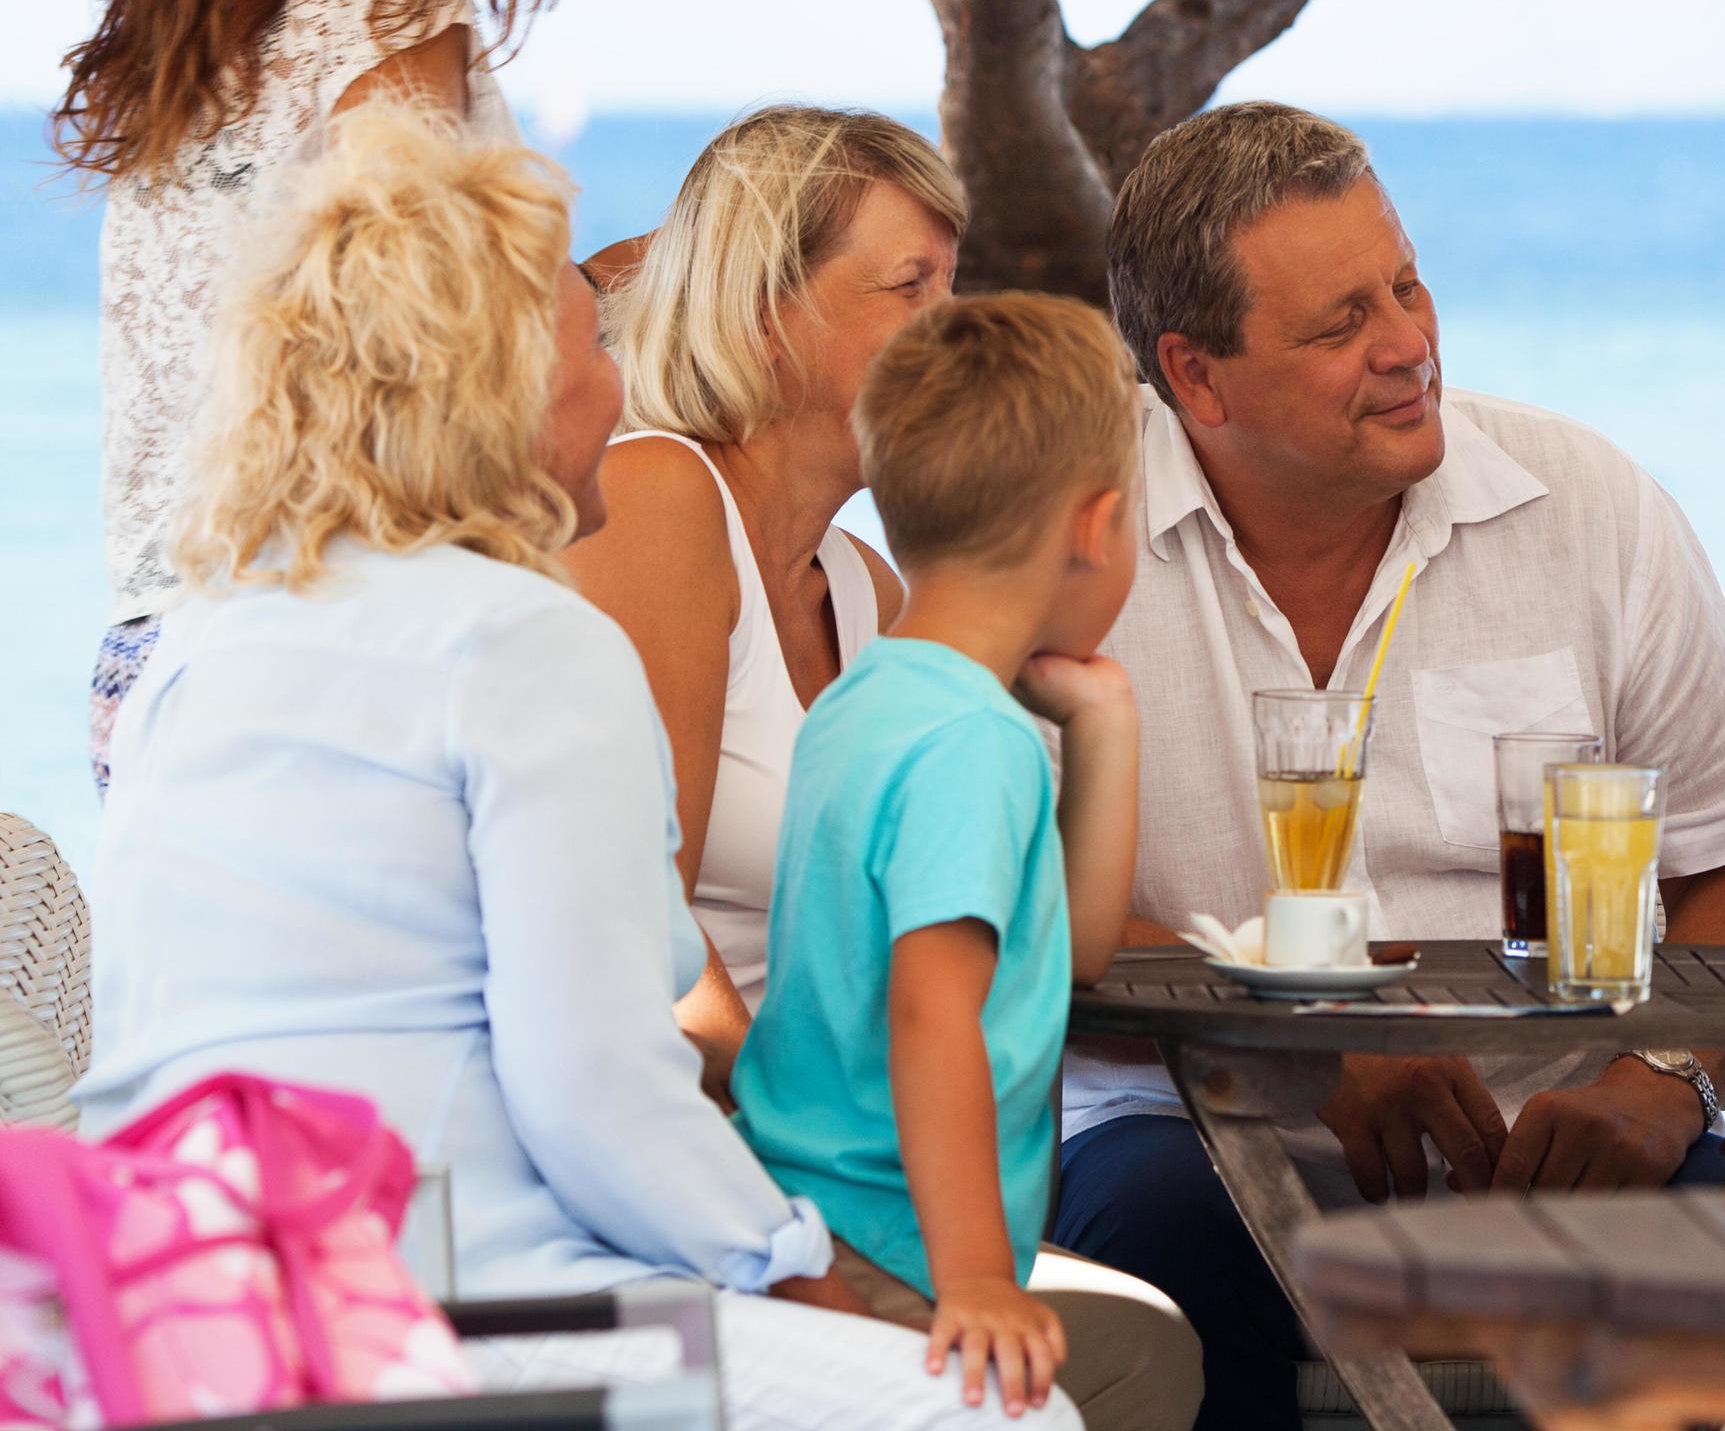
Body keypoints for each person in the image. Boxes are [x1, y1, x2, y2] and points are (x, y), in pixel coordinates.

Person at [75, 106, 1074, 1430]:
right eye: (592, 344)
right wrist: (797, 1267)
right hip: (438, 1308)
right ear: (490, 393)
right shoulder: (520, 641)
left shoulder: (207, 639)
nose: (622, 381)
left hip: (163, 1308)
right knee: (997, 1415)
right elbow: (596, 1090)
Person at [1054, 101, 1725, 1431]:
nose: (1409, 345)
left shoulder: (1589, 506)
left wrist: (1658, 1086)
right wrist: (1304, 1043)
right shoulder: (1063, 535)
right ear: (1197, 376)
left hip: (1557, 1140)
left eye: (1406, 285)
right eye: (1341, 322)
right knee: (1156, 1250)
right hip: (1189, 1137)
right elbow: (1012, 909)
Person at [55, 0, 597, 793]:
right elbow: (424, 337)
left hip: (147, 657)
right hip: (317, 653)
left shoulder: (193, 18)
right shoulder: (389, 0)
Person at [736, 293, 1199, 1431]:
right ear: (1094, 528)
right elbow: (931, 1015)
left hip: (821, 1204)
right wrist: (982, 1275)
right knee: (1151, 1362)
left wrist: (1103, 727)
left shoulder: (877, 697)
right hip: (883, 1235)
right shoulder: (968, 743)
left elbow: (1069, 949)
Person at [567, 106, 959, 1089]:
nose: (956, 330)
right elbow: (632, 931)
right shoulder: (660, 500)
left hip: (833, 1156)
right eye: (913, 287)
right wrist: (813, 1152)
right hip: (708, 1158)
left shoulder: (869, 587)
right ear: (764, 315)